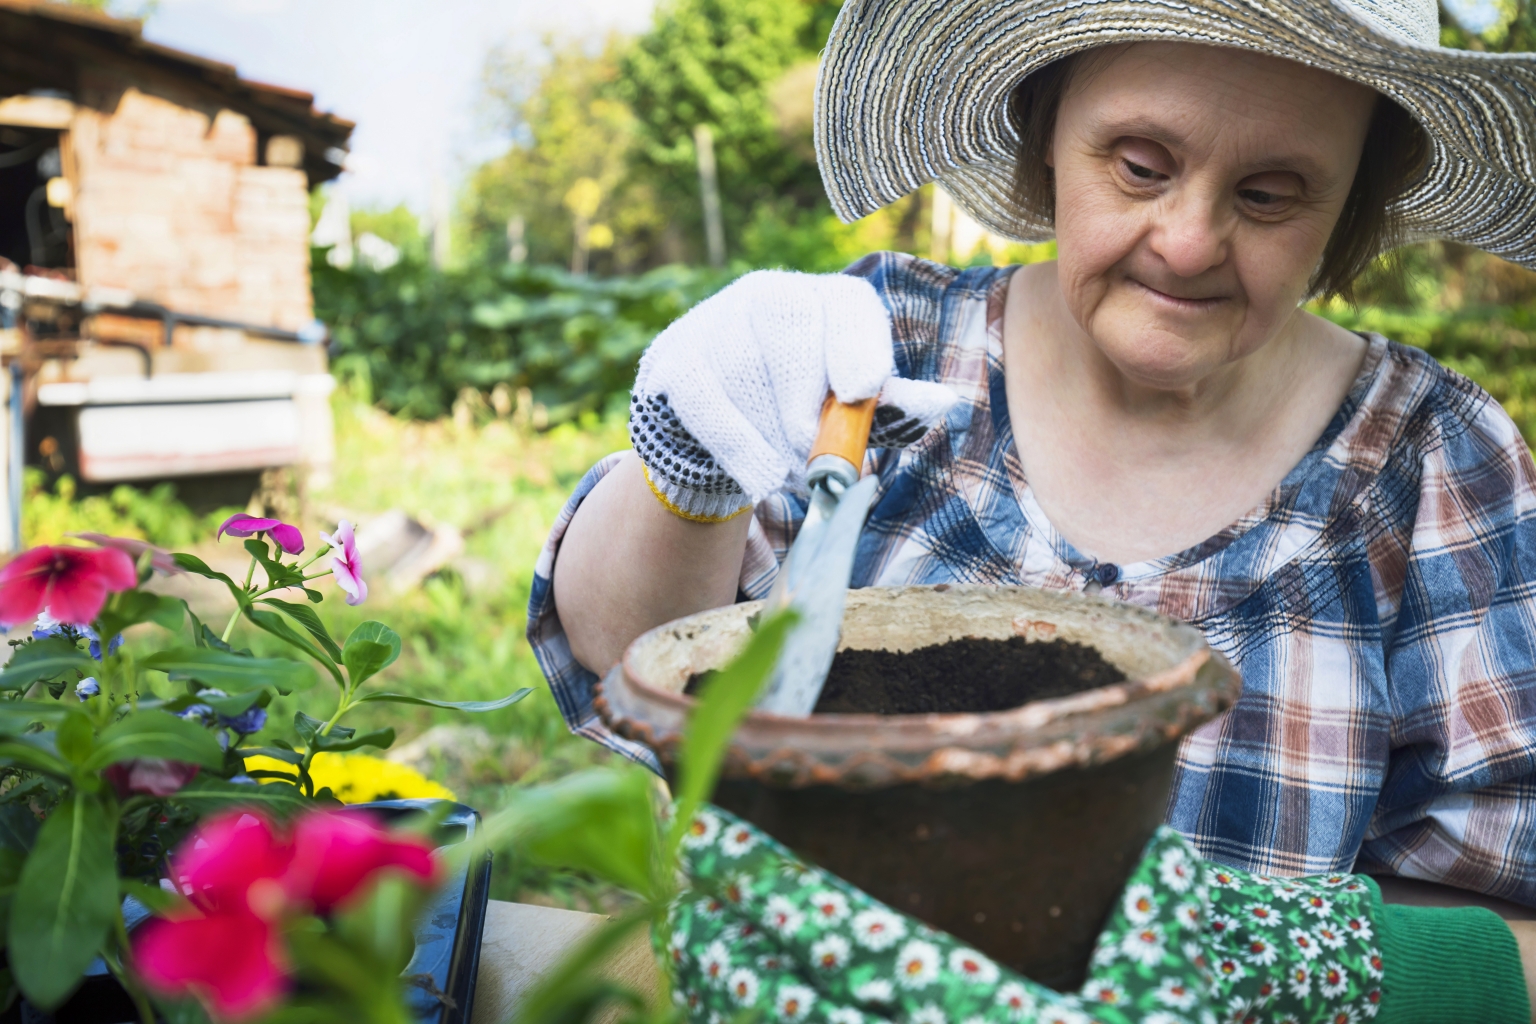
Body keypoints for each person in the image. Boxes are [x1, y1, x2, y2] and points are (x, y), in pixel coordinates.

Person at [531, 0, 1536, 982]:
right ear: (1048, 125)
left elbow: (1511, 930)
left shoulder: (1433, 463)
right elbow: (632, 650)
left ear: (1352, 200)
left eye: (1271, 194)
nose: (1187, 242)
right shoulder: (889, 355)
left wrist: (1264, 969)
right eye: (1141, 166)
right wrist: (686, 464)